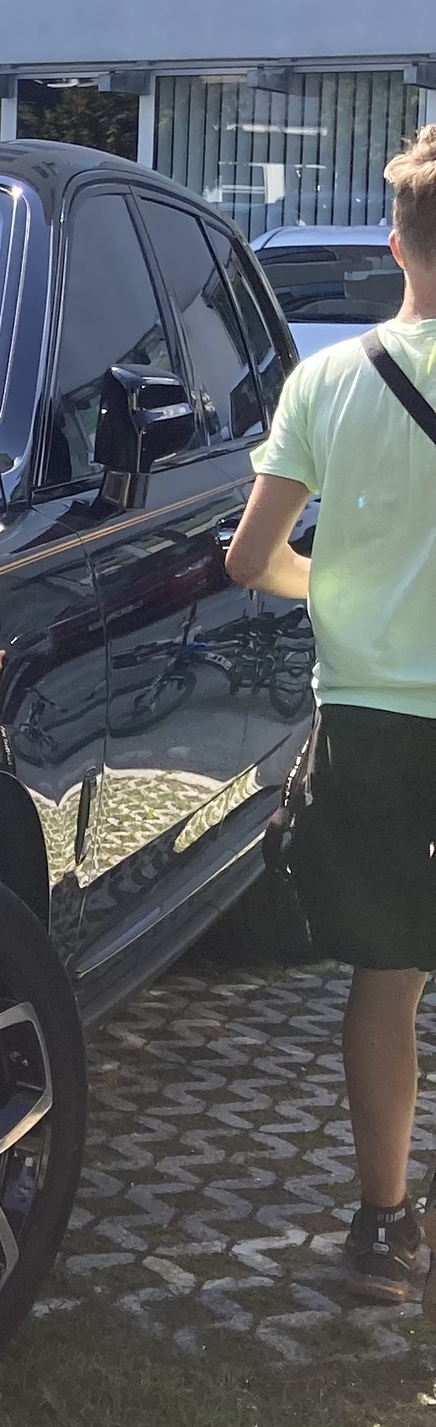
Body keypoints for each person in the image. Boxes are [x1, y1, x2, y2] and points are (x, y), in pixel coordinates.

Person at [228, 127, 436, 1304]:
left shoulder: (325, 378)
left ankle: (379, 1224)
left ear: (392, 241)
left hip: (364, 718)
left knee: (386, 970)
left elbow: (247, 556)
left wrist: (340, 587)